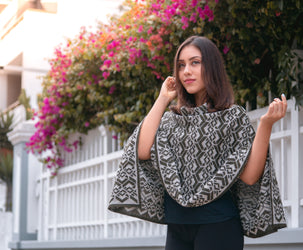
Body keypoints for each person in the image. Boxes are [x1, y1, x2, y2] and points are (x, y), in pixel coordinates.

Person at [108, 35, 287, 250]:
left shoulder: (232, 116)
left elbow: (249, 177)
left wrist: (266, 124)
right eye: (181, 65)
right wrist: (163, 98)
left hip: (219, 225)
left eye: (195, 62)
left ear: (211, 67)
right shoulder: (172, 120)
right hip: (177, 225)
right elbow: (143, 151)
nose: (186, 71)